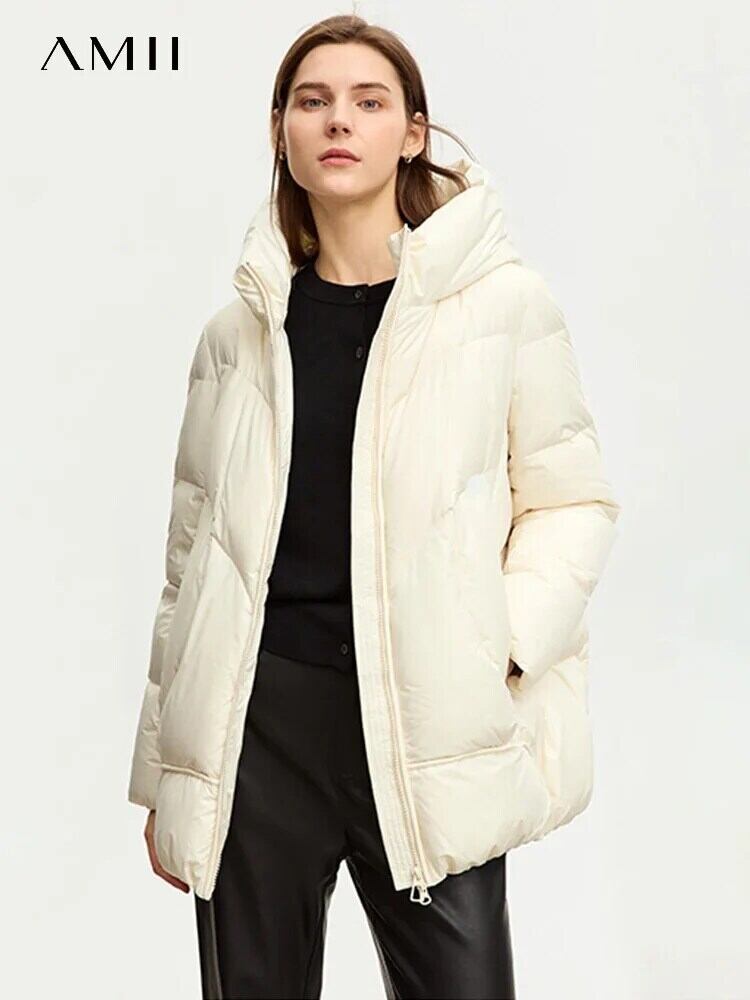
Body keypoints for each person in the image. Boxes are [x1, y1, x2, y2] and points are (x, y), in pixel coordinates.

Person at [127, 14, 621, 1000]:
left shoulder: (502, 308)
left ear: (412, 133)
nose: (337, 121)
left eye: (368, 101)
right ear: (282, 132)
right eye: (312, 102)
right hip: (258, 734)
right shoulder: (236, 337)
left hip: (425, 720)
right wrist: (169, 778)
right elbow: (192, 565)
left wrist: (498, 644)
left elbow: (573, 501)